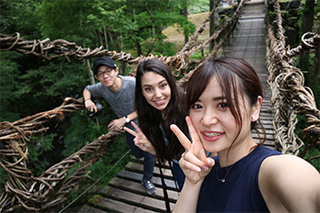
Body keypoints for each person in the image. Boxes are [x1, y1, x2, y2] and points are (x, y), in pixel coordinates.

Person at [170, 57, 320, 212]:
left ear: (255, 109)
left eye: (223, 105)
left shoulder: (269, 170)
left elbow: (306, 188)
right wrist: (192, 182)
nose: (207, 120)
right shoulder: (206, 171)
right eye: (197, 106)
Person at [83, 56, 156, 195]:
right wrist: (87, 100)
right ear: (97, 77)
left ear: (116, 71)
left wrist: (125, 119)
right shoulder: (102, 88)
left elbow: (148, 105)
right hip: (130, 128)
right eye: (100, 74)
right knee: (137, 152)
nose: (105, 76)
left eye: (108, 71)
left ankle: (147, 180)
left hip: (146, 122)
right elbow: (87, 89)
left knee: (148, 153)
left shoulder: (133, 84)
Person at [124, 59, 189, 190]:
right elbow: (172, 155)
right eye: (149, 89)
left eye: (162, 85)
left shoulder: (190, 108)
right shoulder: (153, 114)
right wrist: (153, 149)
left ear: (171, 83)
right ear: (142, 92)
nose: (158, 95)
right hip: (179, 167)